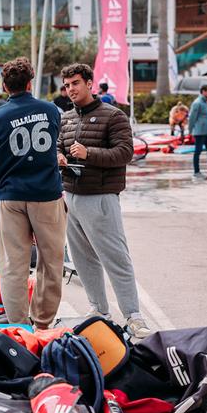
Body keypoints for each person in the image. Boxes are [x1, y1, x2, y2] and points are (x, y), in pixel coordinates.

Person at [0, 58, 66, 329]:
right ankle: (43, 322)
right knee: (51, 260)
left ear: (5, 86)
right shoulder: (51, 111)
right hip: (47, 195)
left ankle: (19, 325)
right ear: (30, 82)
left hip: (12, 195)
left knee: (13, 264)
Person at [57, 63, 151, 338]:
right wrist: (59, 157)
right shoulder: (66, 118)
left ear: (89, 83)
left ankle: (134, 316)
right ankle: (98, 310)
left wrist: (89, 154)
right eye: (66, 85)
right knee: (83, 259)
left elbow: (125, 153)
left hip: (100, 197)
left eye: (75, 83)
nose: (70, 89)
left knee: (115, 257)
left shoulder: (114, 116)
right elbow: (58, 147)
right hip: (71, 195)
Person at [188, 85, 207, 180]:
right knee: (197, 152)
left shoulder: (206, 102)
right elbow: (192, 118)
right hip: (199, 132)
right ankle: (196, 172)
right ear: (203, 91)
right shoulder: (197, 103)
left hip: (206, 131)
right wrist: (190, 131)